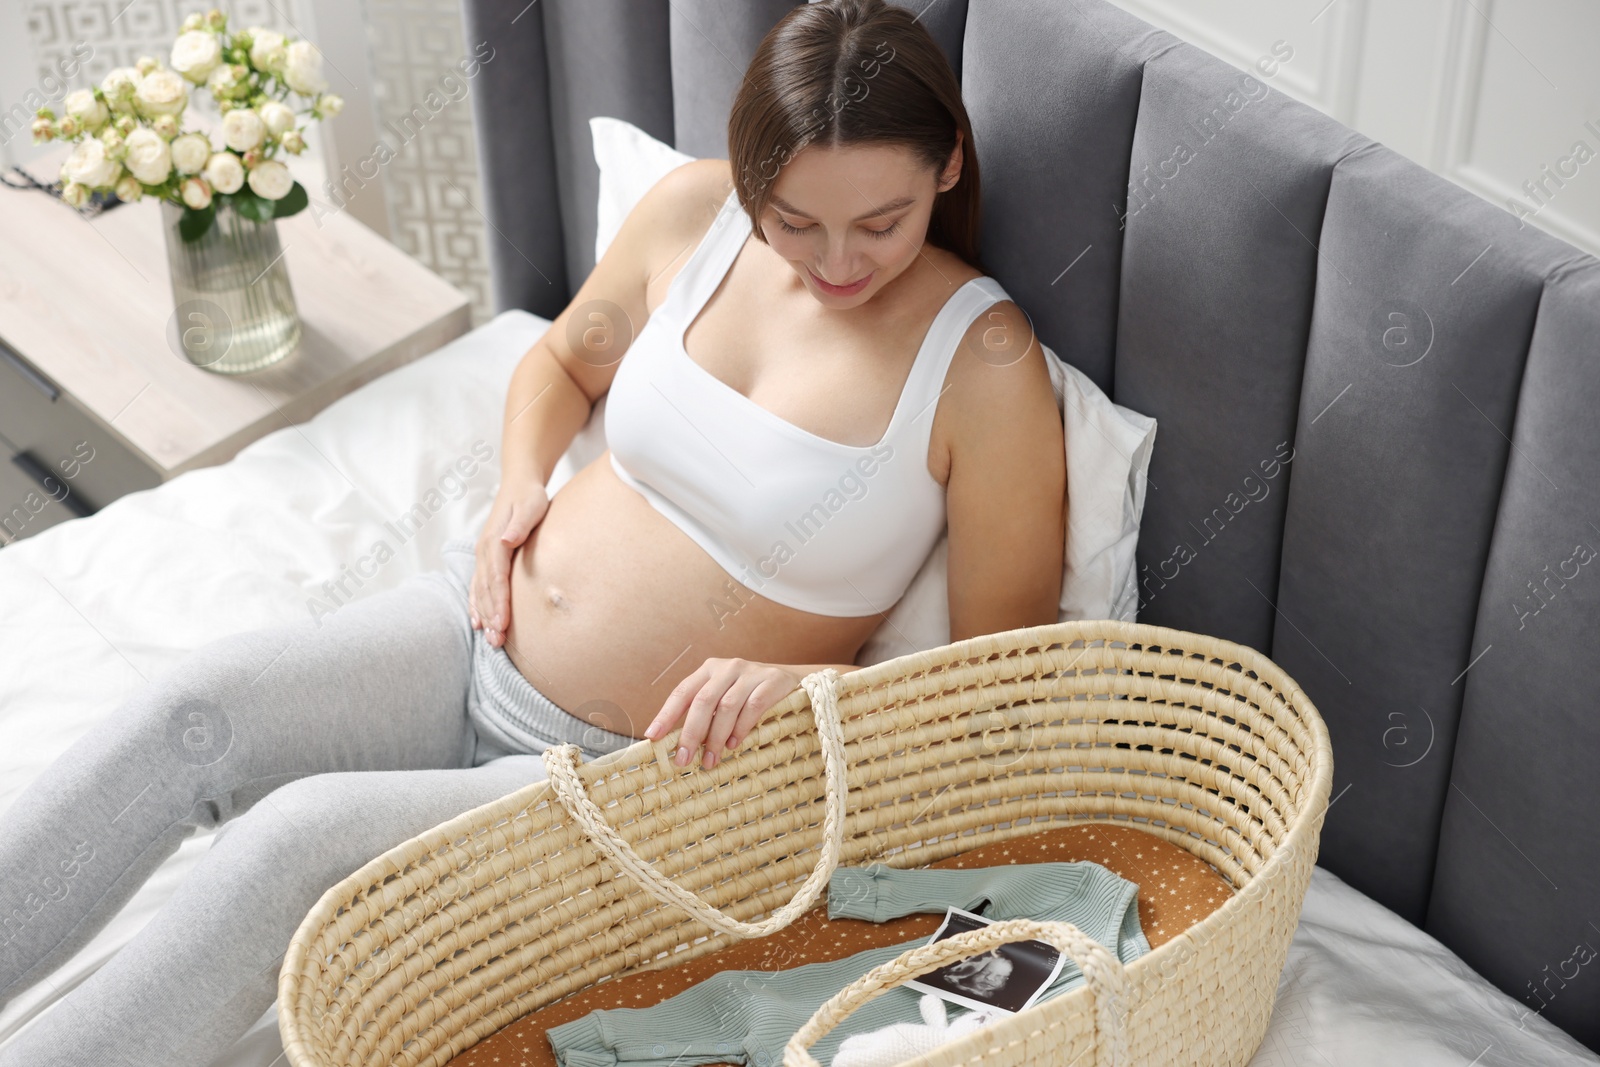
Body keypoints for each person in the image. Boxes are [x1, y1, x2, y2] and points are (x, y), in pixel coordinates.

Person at [0, 1, 1065, 1062]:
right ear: (749, 180)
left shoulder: (983, 364)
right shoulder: (694, 214)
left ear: (947, 165)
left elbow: (991, 690)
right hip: (477, 631)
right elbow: (562, 363)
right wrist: (518, 485)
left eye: (878, 223)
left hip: (627, 777)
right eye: (792, 218)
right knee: (192, 710)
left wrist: (814, 691)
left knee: (286, 848)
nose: (835, 261)